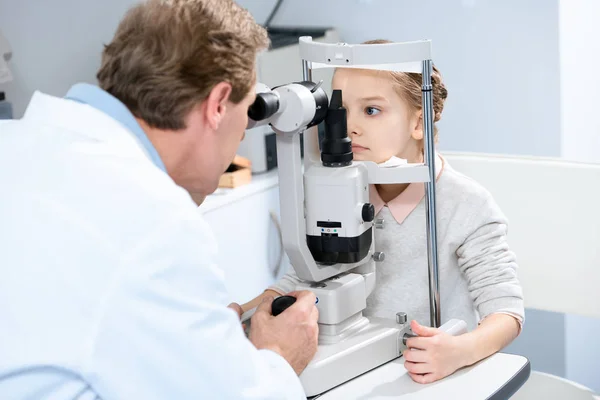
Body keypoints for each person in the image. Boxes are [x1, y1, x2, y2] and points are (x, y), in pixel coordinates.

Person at [0, 0, 319, 398]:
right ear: (218, 104)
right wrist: (278, 358)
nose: (245, 131)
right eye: (247, 110)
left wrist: (189, 333)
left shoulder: (13, 141)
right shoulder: (152, 218)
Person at [237, 39, 525, 385]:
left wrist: (461, 350)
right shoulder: (330, 191)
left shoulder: (466, 204)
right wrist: (241, 314)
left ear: (418, 123)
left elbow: (506, 310)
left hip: (432, 377)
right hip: (357, 373)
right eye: (340, 110)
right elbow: (302, 280)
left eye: (371, 110)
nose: (350, 126)